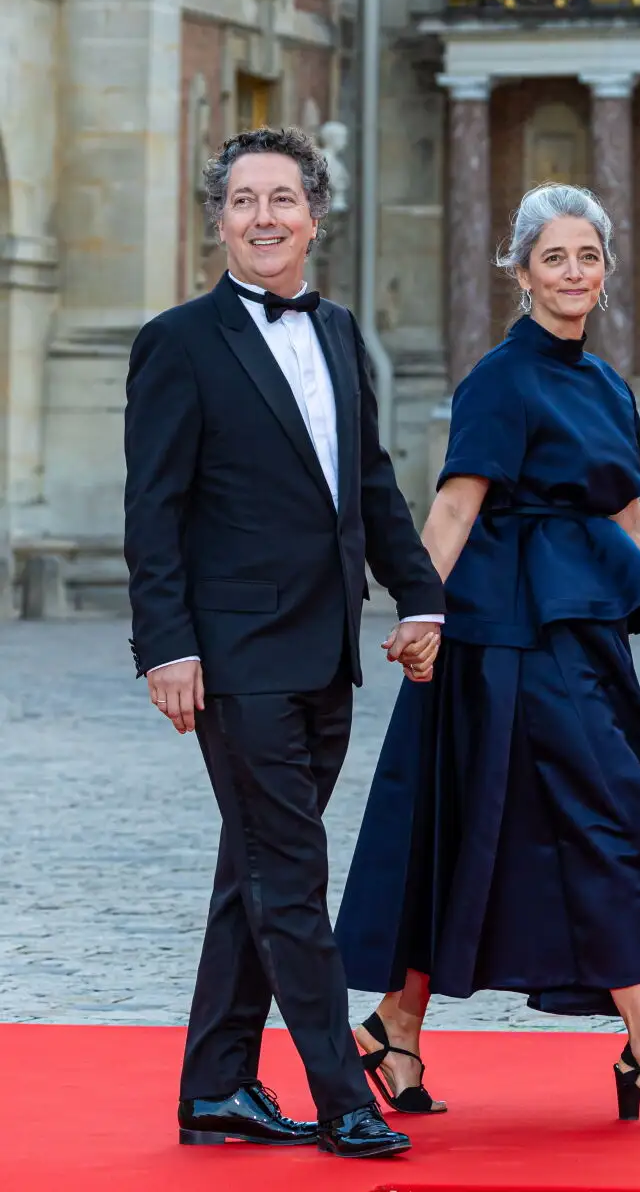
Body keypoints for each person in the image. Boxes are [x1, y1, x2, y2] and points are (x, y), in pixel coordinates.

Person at [335, 183, 640, 1129]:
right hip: (499, 639)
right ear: (521, 271)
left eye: (588, 257)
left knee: (476, 830)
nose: (574, 273)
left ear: (607, 272)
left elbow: (630, 519)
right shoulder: (498, 378)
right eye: (554, 259)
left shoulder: (610, 387)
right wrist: (421, 608)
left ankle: (395, 1028)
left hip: (584, 636)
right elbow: (455, 505)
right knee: (609, 822)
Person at [123, 125, 445, 1159]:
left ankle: (215, 1087)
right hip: (233, 656)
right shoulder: (177, 341)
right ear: (217, 220)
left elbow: (368, 483)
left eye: (282, 199)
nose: (263, 217)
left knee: (254, 871)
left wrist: (421, 597)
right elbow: (153, 511)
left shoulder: (341, 331)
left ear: (314, 215)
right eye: (243, 201)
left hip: (324, 650)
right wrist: (165, 646)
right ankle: (342, 1093)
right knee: (291, 871)